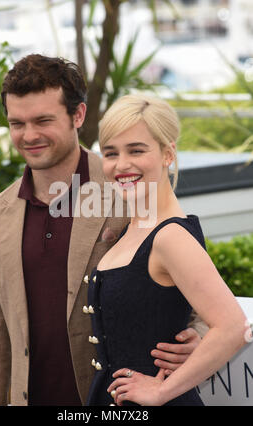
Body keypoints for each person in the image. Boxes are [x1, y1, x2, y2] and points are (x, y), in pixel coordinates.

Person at [0, 55, 204, 406]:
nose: (28, 135)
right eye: (17, 123)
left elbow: (200, 297)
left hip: (117, 404)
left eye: (43, 120)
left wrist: (197, 336)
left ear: (78, 116)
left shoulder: (127, 189)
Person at [86, 94, 248, 406]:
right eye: (110, 153)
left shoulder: (170, 235)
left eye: (136, 150)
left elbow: (232, 327)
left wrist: (160, 391)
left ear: (167, 153)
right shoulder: (131, 229)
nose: (122, 165)